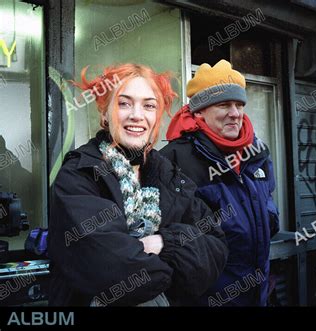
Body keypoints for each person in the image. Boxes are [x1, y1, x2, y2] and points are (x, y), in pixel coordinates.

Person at [48, 63, 228, 306]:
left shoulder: (169, 175)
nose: (136, 115)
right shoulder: (80, 175)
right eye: (124, 103)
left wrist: (164, 243)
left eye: (149, 105)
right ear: (104, 112)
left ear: (157, 117)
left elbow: (216, 247)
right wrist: (179, 270)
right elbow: (110, 270)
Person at [160, 60, 279, 306]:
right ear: (200, 111)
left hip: (258, 293)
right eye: (224, 105)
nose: (235, 113)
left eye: (239, 104)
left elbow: (269, 207)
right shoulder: (173, 159)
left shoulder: (258, 153)